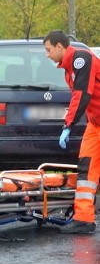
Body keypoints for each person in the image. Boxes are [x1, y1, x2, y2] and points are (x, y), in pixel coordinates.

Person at [43, 30, 99, 234]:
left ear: (60, 46)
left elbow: (83, 95)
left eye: (48, 50)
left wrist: (68, 125)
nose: (47, 55)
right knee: (86, 169)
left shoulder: (81, 60)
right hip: (96, 125)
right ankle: (84, 219)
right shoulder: (69, 69)